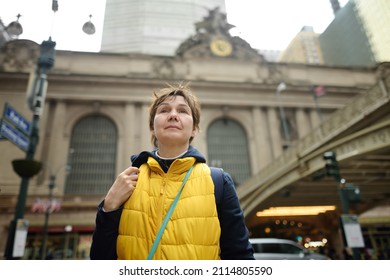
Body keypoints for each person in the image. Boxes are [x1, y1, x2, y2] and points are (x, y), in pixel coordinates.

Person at [90, 83, 254, 260]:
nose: (173, 115)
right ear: (152, 127)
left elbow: (240, 256)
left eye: (183, 111)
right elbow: (101, 260)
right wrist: (108, 209)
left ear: (194, 129)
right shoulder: (129, 180)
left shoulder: (218, 182)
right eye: (164, 110)